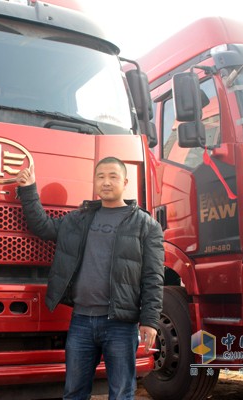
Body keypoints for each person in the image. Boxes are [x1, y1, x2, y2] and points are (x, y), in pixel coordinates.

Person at [15, 156, 164, 400]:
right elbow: (44, 227)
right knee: (74, 392)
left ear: (125, 182)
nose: (106, 182)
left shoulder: (146, 225)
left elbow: (153, 276)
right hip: (81, 321)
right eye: (100, 177)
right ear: (94, 182)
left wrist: (150, 321)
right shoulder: (79, 219)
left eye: (113, 177)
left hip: (121, 324)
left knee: (121, 393)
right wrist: (29, 190)